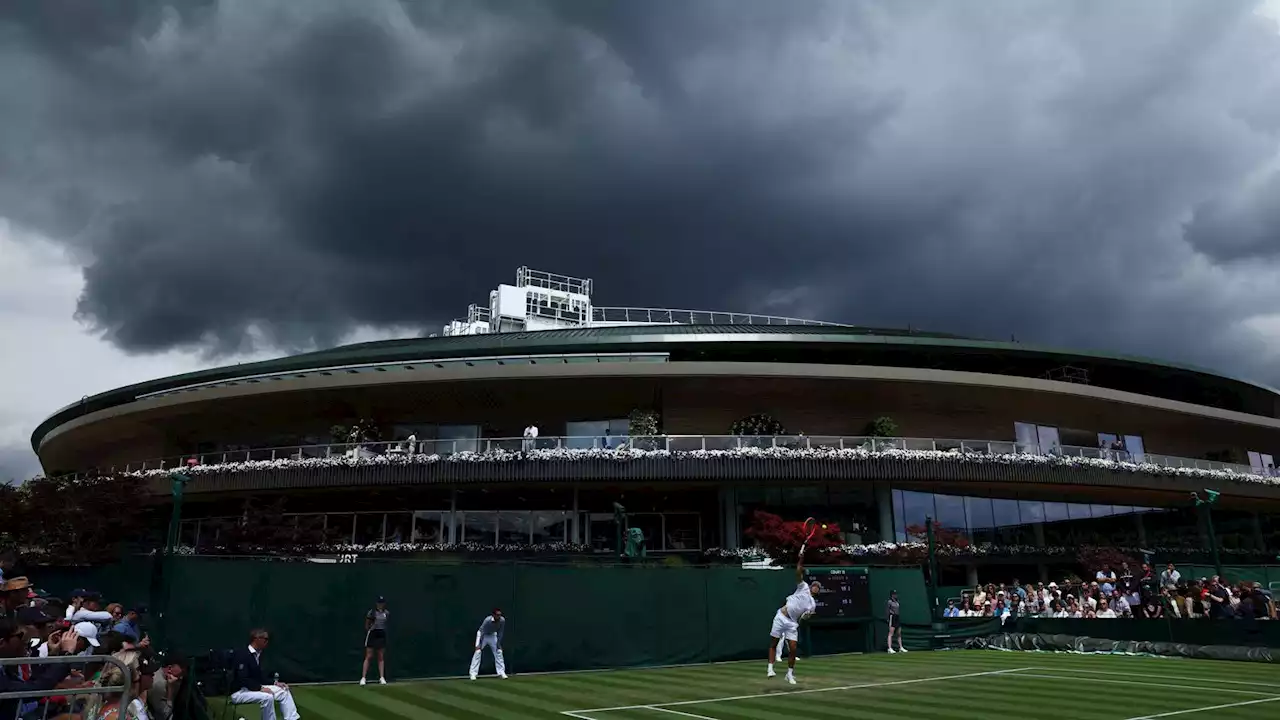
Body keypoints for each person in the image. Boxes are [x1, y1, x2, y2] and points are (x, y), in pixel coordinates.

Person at [766, 543, 818, 685]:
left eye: (818, 588)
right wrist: (800, 560)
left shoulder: (812, 604)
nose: (815, 588)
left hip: (792, 623)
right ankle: (770, 668)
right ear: (811, 586)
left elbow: (805, 617)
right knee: (773, 643)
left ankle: (789, 674)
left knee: (793, 649)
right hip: (781, 616)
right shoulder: (803, 587)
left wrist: (806, 617)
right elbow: (798, 572)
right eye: (815, 586)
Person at [230, 628, 301, 720]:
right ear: (257, 639)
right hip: (239, 692)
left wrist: (275, 683)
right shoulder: (242, 654)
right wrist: (261, 688)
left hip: (252, 689)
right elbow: (243, 679)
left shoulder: (258, 654)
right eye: (265, 639)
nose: (267, 642)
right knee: (267, 697)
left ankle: (292, 718)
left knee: (283, 690)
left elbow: (260, 677)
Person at [469, 609, 507, 681]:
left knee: (499, 651)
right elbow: (482, 632)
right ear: (493, 615)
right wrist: (479, 645)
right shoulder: (487, 620)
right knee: (478, 652)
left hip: (492, 635)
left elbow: (501, 632)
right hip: (483, 635)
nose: (499, 616)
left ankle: (501, 672)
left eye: (500, 615)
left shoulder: (502, 620)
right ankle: (473, 674)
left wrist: (498, 643)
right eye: (497, 615)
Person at [360, 596, 389, 686]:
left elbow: (386, 623)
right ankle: (363, 678)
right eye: (379, 603)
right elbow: (367, 624)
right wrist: (370, 629)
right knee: (369, 656)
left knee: (380, 656)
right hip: (372, 634)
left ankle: (382, 677)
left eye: (382, 603)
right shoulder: (372, 613)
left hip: (381, 634)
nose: (380, 604)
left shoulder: (386, 613)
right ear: (376, 604)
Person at [147, 654, 186, 720]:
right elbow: (165, 715)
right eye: (180, 675)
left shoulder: (163, 677)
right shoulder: (159, 684)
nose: (181, 678)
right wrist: (171, 689)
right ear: (170, 668)